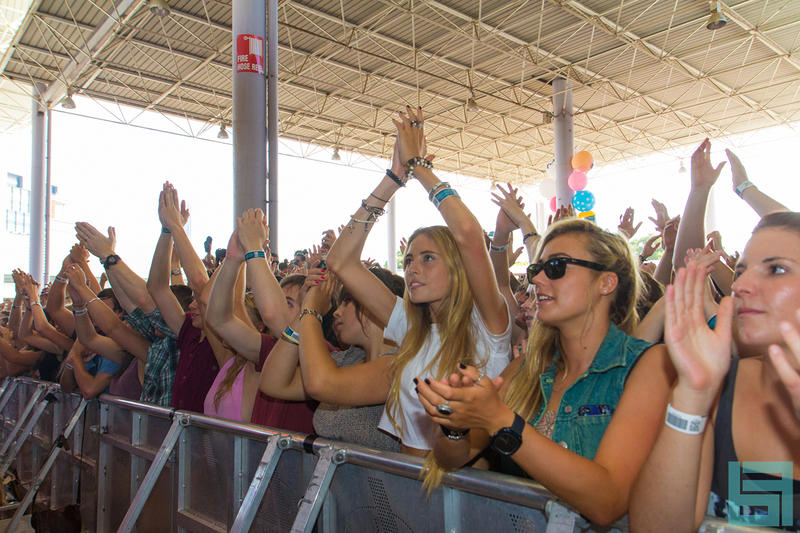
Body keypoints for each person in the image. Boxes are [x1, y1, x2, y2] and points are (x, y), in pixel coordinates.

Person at [415, 218, 673, 525]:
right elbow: (451, 459)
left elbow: (608, 501)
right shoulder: (527, 369)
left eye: (557, 267)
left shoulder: (646, 366)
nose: (537, 280)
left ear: (606, 282)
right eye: (537, 270)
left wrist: (500, 421)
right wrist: (454, 421)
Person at [324, 107, 511, 456]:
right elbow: (340, 261)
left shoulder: (488, 326)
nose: (412, 269)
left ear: (457, 267)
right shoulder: (412, 326)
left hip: (462, 497)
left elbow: (469, 234)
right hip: (407, 491)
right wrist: (394, 177)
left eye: (428, 258)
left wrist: (419, 167)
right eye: (409, 259)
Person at [630, 212, 800, 531]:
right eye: (741, 271)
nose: (739, 285)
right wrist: (692, 397)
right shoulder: (721, 390)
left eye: (776, 269)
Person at [259, 266, 405, 451]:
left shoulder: (399, 366)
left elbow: (320, 384)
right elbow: (273, 383)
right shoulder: (348, 359)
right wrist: (303, 311)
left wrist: (311, 312)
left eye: (347, 302)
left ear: (372, 304)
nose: (336, 312)